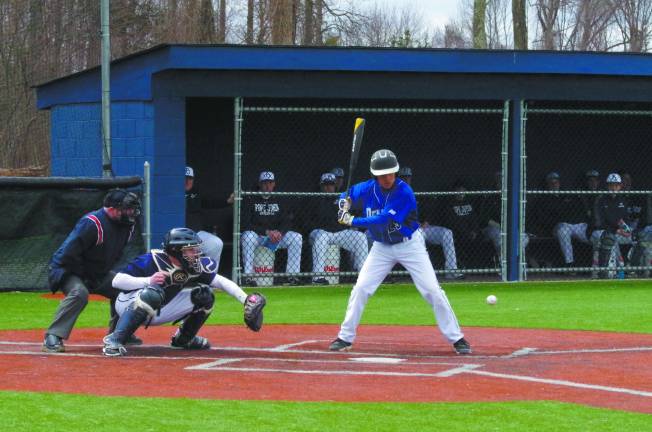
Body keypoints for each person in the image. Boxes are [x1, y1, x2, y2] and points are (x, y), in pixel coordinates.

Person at [329, 149, 471, 355]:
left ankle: (456, 338)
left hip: (409, 245)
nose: (388, 178)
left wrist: (352, 220)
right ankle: (345, 337)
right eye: (383, 174)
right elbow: (346, 195)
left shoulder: (404, 192)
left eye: (391, 173)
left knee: (432, 290)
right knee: (360, 289)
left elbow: (384, 219)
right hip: (381, 248)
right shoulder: (366, 188)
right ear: (375, 175)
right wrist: (343, 202)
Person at [103, 227, 265, 356]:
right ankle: (115, 340)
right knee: (151, 293)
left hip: (159, 307)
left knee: (204, 295)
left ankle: (184, 339)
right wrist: (148, 281)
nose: (196, 253)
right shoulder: (151, 260)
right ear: (176, 250)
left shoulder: (192, 265)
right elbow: (117, 281)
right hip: (127, 304)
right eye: (191, 250)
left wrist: (245, 299)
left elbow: (220, 281)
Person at [42, 188, 142, 353]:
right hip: (68, 269)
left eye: (132, 209)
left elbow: (115, 256)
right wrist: (86, 276)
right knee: (79, 293)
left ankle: (120, 333)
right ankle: (53, 336)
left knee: (126, 287)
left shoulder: (127, 226)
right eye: (126, 209)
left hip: (96, 272)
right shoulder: (92, 223)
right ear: (111, 209)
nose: (131, 213)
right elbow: (68, 254)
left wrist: (99, 275)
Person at [398, 166, 463, 279]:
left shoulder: (415, 192)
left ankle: (451, 270)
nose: (406, 180)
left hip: (423, 228)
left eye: (408, 177)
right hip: (408, 230)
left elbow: (427, 210)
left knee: (447, 233)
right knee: (419, 236)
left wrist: (426, 222)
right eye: (403, 178)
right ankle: (424, 273)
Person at [241, 171, 303, 286]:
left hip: (275, 237)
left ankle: (292, 277)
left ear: (274, 184)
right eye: (265, 183)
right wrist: (266, 231)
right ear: (260, 184)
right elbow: (245, 224)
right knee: (248, 235)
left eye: (270, 182)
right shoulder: (250, 198)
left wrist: (280, 232)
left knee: (296, 238)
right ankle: (248, 277)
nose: (267, 185)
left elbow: (287, 220)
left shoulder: (279, 199)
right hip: (258, 236)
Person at [309, 173, 368, 284]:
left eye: (331, 185)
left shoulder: (342, 199)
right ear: (321, 186)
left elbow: (349, 217)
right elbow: (306, 220)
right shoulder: (314, 198)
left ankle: (362, 275)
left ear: (335, 186)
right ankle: (317, 277)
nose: (328, 187)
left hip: (338, 233)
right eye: (325, 185)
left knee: (360, 237)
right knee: (321, 238)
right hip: (320, 232)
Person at [590, 173, 633, 279]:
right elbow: (599, 223)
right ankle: (605, 271)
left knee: (638, 239)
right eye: (611, 185)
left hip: (617, 231)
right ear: (607, 186)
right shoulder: (601, 199)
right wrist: (617, 230)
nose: (613, 188)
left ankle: (632, 267)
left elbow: (625, 220)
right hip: (599, 231)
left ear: (620, 186)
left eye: (616, 185)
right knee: (610, 238)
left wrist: (626, 229)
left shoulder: (622, 200)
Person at [185, 166, 224, 269]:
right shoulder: (172, 194)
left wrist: (227, 201)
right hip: (177, 237)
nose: (187, 181)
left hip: (196, 234)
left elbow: (211, 202)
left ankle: (210, 277)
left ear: (193, 180)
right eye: (184, 178)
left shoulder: (197, 193)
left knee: (216, 243)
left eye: (189, 178)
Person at [441, 181, 483, 269]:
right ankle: (461, 265)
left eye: (463, 190)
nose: (461, 192)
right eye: (458, 190)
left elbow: (474, 219)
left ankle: (478, 266)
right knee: (460, 239)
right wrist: (466, 232)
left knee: (480, 238)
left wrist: (474, 231)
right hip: (458, 233)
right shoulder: (449, 204)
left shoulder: (469, 203)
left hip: (471, 232)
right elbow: (451, 221)